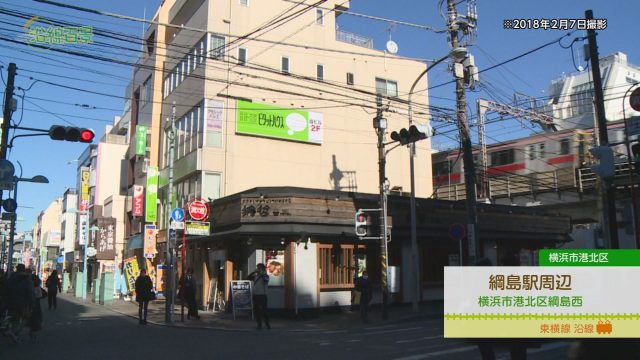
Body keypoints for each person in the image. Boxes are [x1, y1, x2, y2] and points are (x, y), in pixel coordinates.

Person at [4, 264, 34, 342]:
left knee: (15, 317)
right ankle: (15, 332)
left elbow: (6, 289)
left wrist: (6, 300)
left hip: (11, 301)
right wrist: (32, 303)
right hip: (23, 302)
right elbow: (30, 292)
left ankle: (12, 330)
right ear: (24, 270)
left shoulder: (11, 277)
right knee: (26, 318)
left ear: (17, 269)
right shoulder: (27, 279)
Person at [248, 263, 270, 329]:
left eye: (259, 268)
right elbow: (248, 277)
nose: (258, 269)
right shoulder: (256, 276)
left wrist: (262, 273)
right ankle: (259, 324)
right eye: (257, 268)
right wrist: (254, 272)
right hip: (255, 295)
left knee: (264, 311)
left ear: (262, 269)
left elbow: (265, 280)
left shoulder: (266, 276)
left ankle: (267, 324)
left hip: (263, 295)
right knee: (257, 311)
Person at [29, 270, 43, 340]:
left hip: (28, 302)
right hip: (35, 302)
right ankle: (33, 329)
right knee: (35, 316)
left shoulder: (27, 281)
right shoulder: (37, 286)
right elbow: (40, 295)